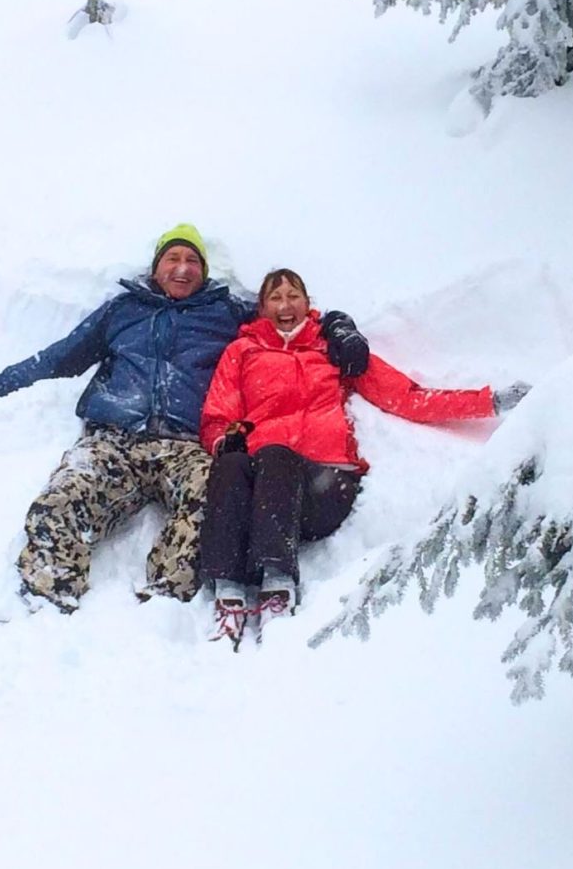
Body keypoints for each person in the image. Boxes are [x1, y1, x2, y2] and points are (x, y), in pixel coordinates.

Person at [0, 226, 371, 612]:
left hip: (186, 446)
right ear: (156, 267)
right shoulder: (123, 310)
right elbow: (57, 358)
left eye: (192, 259)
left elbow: (289, 314)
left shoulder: (225, 312)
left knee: (214, 512)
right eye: (172, 257)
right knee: (59, 502)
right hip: (113, 439)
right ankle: (46, 601)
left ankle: (160, 607)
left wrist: (339, 326)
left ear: (205, 271)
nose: (182, 267)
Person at [198, 267, 529, 642]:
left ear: (308, 304)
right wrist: (224, 440)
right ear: (261, 308)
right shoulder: (242, 351)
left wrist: (488, 401)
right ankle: (227, 591)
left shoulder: (332, 348)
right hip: (264, 488)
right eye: (275, 298)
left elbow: (406, 397)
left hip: (324, 486)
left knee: (276, 455)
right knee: (231, 464)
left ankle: (277, 587)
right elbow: (217, 417)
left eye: (294, 296)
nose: (285, 305)